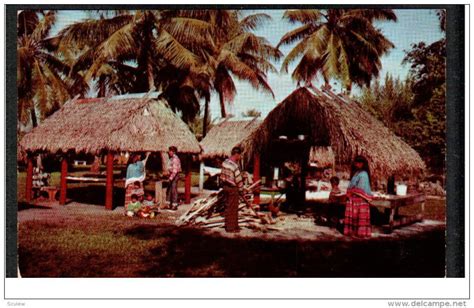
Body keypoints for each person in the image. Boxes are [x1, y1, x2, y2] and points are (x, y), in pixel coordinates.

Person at [343, 155, 373, 238]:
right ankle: (353, 232)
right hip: (354, 198)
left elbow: (360, 188)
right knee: (355, 216)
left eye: (360, 163)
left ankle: (360, 233)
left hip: (360, 199)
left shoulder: (363, 174)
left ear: (363, 164)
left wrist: (351, 192)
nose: (358, 164)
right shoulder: (357, 173)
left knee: (358, 216)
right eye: (356, 162)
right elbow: (352, 184)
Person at [220, 146, 246, 233]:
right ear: (236, 154)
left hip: (225, 186)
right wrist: (242, 189)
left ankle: (234, 226)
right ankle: (231, 228)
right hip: (232, 188)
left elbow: (222, 175)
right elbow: (238, 180)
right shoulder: (234, 166)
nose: (240, 157)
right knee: (233, 208)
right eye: (240, 155)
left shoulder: (225, 162)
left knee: (228, 206)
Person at [166, 146, 181, 210]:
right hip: (171, 175)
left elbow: (175, 170)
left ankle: (174, 205)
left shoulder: (175, 159)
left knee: (173, 190)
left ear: (173, 151)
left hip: (174, 175)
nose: (169, 152)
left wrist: (171, 178)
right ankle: (169, 204)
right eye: (169, 151)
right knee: (169, 189)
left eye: (170, 151)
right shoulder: (171, 158)